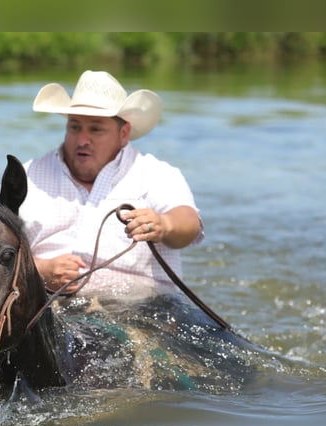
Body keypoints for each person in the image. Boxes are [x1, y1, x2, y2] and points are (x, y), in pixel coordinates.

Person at [19, 70, 203, 304]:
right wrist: (41, 270)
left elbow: (188, 223)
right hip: (47, 306)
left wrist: (164, 225)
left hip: (144, 309)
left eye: (96, 129)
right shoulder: (28, 175)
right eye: (75, 127)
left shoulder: (155, 174)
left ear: (123, 133)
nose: (82, 140)